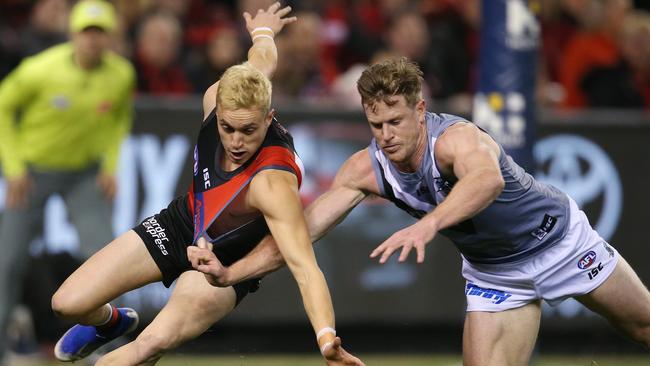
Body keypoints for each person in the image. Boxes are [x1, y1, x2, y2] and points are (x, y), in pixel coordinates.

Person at [190, 57, 650, 366]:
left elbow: (485, 181)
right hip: (496, 274)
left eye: (396, 122)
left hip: (560, 239)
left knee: (641, 326)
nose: (385, 135)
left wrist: (429, 223)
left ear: (421, 111)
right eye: (375, 124)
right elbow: (301, 233)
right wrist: (234, 272)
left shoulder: (455, 140)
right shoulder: (365, 169)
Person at [51, 3, 363, 366]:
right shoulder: (221, 96)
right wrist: (264, 31)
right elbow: (262, 57)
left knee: (148, 346)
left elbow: (305, 269)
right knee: (66, 304)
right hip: (181, 223)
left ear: (269, 116)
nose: (235, 141)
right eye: (227, 128)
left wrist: (327, 340)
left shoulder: (274, 184)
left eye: (249, 130)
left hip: (225, 264)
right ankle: (111, 322)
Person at [0, 0, 134, 363]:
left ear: (110, 37)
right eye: (87, 32)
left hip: (83, 175)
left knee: (107, 258)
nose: (93, 40)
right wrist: (13, 169)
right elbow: (2, 106)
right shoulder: (38, 70)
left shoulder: (121, 74)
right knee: (7, 261)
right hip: (32, 173)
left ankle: (106, 348)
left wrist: (110, 165)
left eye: (100, 32)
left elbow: (119, 119)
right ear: (73, 34)